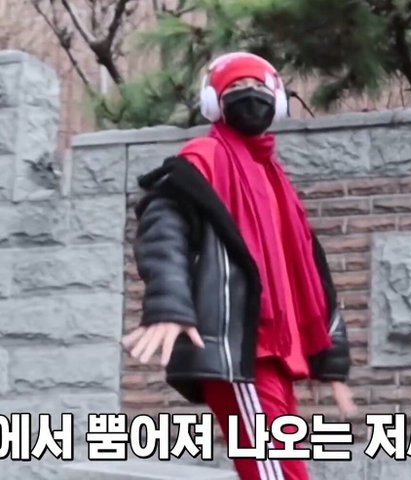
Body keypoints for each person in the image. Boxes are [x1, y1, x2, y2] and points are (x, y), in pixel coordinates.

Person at [122, 51, 356, 480]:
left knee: (279, 468)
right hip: (244, 348)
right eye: (234, 88)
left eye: (258, 87)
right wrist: (169, 305)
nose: (248, 95)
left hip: (278, 353)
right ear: (215, 103)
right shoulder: (204, 157)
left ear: (277, 100)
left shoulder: (276, 179)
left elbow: (309, 270)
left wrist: (331, 359)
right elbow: (163, 227)